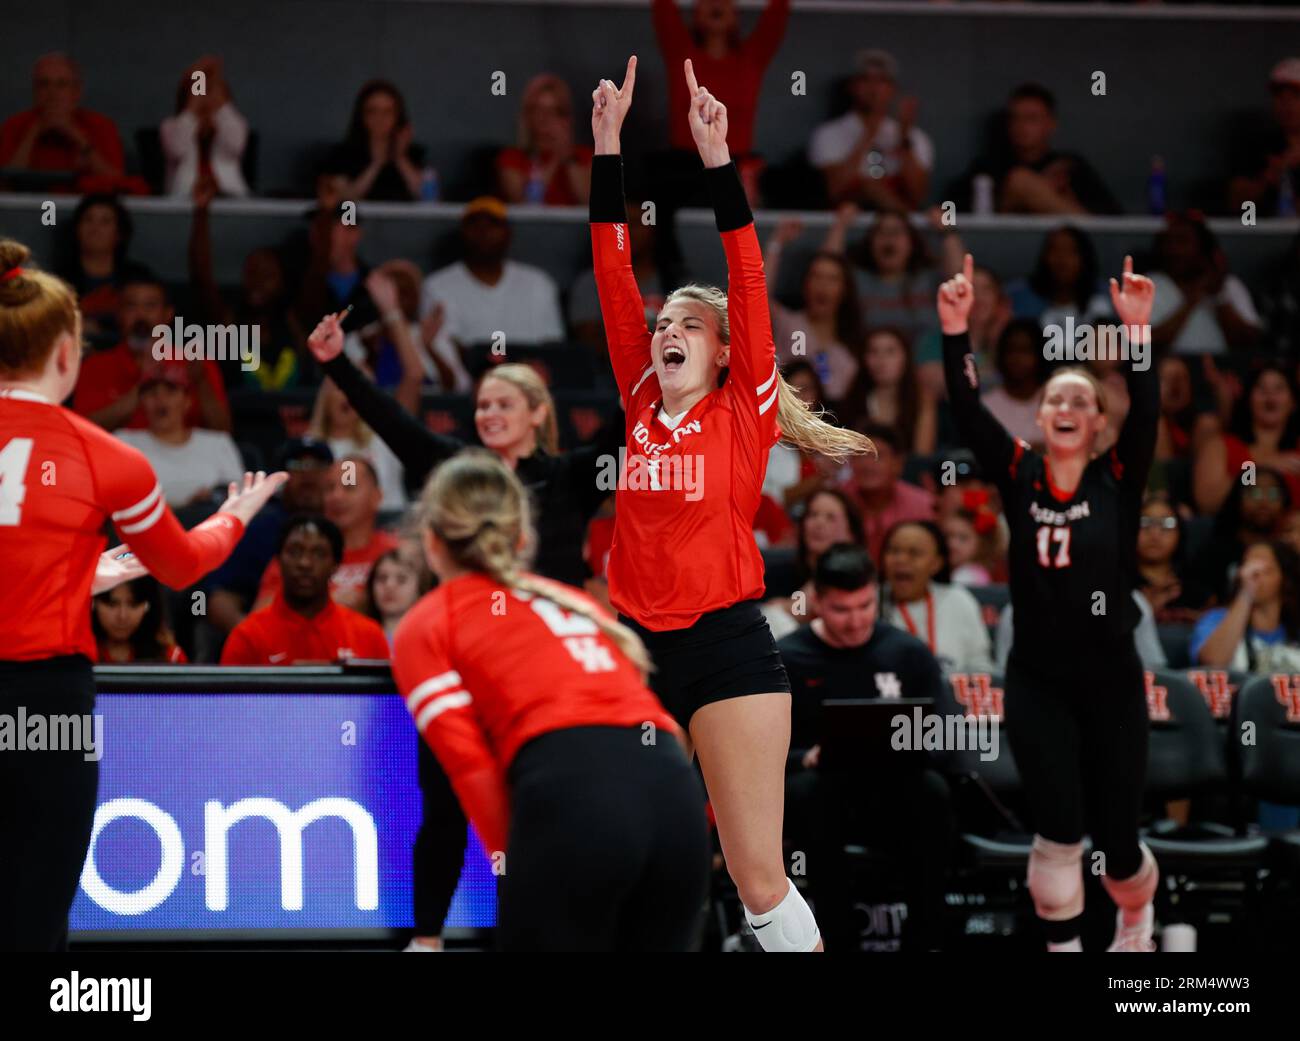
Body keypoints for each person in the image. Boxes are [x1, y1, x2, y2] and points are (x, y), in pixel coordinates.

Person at [590, 56, 874, 952]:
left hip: (725, 650)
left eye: (689, 325)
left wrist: (719, 161)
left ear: (723, 353)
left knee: (757, 874)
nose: (668, 330)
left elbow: (746, 277)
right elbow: (610, 266)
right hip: (632, 650)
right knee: (613, 857)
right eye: (662, 321)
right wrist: (607, 146)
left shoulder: (745, 408)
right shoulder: (640, 397)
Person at [0, 238, 283, 951]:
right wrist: (235, 515)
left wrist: (77, 577)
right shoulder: (107, 454)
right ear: (67, 354)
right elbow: (184, 568)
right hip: (45, 700)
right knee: (34, 915)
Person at [391, 452, 710, 950]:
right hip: (676, 799)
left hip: (574, 800)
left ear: (431, 542)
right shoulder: (574, 601)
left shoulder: (426, 623)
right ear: (522, 538)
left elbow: (470, 771)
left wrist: (521, 875)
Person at [940, 250, 1161, 952]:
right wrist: (955, 329)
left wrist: (1136, 334)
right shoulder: (1019, 472)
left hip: (1112, 683)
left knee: (1119, 846)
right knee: (1059, 832)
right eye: (1056, 398)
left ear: (1099, 423)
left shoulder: (1119, 479)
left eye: (1081, 400)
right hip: (1037, 681)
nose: (1067, 406)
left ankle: (1136, 916)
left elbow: (1149, 407)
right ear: (1038, 417)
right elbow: (969, 409)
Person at [778, 544, 951, 952]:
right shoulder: (787, 658)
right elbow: (757, 753)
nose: (856, 621)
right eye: (841, 609)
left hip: (895, 789)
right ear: (817, 601)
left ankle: (926, 940)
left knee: (933, 793)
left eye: (865, 605)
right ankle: (838, 941)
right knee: (809, 794)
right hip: (823, 792)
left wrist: (914, 743)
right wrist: (806, 756)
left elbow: (948, 733)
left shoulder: (907, 652)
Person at [204, 438, 334, 642]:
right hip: (270, 643)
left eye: (318, 466)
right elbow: (216, 599)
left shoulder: (346, 523)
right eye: (297, 465)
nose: (308, 475)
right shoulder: (258, 529)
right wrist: (253, 638)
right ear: (281, 479)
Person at [220, 514, 390, 665]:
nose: (305, 563)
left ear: (336, 565)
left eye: (318, 553)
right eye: (294, 552)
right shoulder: (247, 636)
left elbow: (387, 700)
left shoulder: (369, 635)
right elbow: (229, 701)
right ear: (278, 561)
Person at [72, 273, 231, 432]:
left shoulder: (195, 362)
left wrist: (201, 382)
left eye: (150, 306)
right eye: (131, 306)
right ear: (119, 314)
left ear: (167, 314)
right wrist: (145, 385)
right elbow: (83, 430)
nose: (141, 315)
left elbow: (223, 433)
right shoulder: (95, 366)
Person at [253, 457, 399, 613]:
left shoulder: (396, 551)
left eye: (349, 488)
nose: (337, 496)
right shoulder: (296, 555)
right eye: (329, 489)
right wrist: (321, 603)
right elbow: (258, 620)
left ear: (377, 497)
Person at [419, 197, 565, 348]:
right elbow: (444, 350)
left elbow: (552, 346)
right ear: (463, 233)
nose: (484, 232)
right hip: (468, 372)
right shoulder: (437, 286)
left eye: (493, 225)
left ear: (508, 233)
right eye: (475, 225)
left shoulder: (538, 283)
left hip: (526, 371)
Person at [956, 83, 1120, 216]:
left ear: (1051, 124)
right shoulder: (987, 167)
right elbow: (958, 214)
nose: (1022, 126)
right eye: (1015, 118)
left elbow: (1113, 221)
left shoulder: (1069, 167)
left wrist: (1057, 197)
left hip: (1067, 252)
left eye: (1031, 119)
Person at [809, 48, 933, 211]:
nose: (873, 88)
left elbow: (918, 195)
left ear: (892, 89)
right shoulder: (828, 133)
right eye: (865, 80)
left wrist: (904, 138)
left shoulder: (913, 135)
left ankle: (902, 223)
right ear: (852, 86)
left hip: (897, 228)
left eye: (882, 81)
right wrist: (868, 135)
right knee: (868, 185)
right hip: (848, 222)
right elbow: (835, 189)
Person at [114, 364, 244, 508]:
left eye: (170, 391)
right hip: (148, 526)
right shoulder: (124, 442)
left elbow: (238, 496)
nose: (160, 399)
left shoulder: (218, 442)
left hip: (208, 523)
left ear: (187, 401)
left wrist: (213, 497)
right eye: (151, 393)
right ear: (141, 402)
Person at [764, 219, 863, 405]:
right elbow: (756, 296)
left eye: (832, 279)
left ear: (844, 290)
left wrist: (840, 225)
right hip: (786, 418)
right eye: (816, 276)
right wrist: (776, 243)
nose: (823, 285)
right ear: (805, 285)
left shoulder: (852, 342)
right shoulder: (789, 322)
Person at [881, 519, 994, 673]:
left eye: (914, 553)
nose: (901, 560)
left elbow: (982, 668)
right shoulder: (868, 604)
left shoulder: (958, 600)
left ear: (936, 563)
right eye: (893, 551)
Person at [0, 54, 124, 192]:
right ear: (35, 92)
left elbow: (117, 183)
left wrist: (77, 136)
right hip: (30, 206)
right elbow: (6, 185)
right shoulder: (14, 125)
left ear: (77, 92)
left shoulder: (102, 125)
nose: (52, 93)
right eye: (44, 84)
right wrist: (32, 133)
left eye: (62, 85)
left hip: (82, 209)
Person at [1147, 212, 1262, 356]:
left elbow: (1250, 340)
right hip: (1167, 371)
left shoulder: (1229, 285)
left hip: (1223, 372)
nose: (1174, 250)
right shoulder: (1149, 284)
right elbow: (1144, 343)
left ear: (1203, 247)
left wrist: (1218, 297)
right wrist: (1191, 301)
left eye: (1182, 241)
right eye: (1168, 242)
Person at [1194, 363, 1300, 512]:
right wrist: (1258, 468)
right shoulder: (1221, 446)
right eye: (1261, 389)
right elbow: (1208, 503)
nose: (1270, 396)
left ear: (1293, 402)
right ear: (1248, 399)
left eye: (1279, 389)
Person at [1192, 540, 1300, 673]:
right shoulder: (1216, 619)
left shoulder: (1295, 627)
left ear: (1284, 578)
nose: (1253, 575)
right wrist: (1246, 594)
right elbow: (1212, 665)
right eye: (1247, 566)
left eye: (1264, 569)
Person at [840, 421, 936, 563]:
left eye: (877, 456)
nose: (867, 464)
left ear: (898, 463)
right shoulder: (837, 501)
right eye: (860, 455)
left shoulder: (922, 506)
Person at [159, 55, 250, 199]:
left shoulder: (233, 122)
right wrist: (194, 104)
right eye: (202, 92)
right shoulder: (170, 126)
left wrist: (220, 101)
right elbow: (178, 150)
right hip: (183, 195)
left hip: (230, 196)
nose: (206, 97)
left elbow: (235, 146)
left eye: (211, 92)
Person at [496, 75, 593, 206]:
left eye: (554, 111)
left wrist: (566, 155)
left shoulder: (585, 157)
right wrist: (553, 163)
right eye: (538, 111)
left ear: (566, 118)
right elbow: (526, 207)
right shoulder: (512, 159)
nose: (545, 119)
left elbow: (589, 203)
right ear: (527, 116)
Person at [842, 326, 936, 454]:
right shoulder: (852, 401)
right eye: (873, 351)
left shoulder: (921, 403)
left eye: (890, 352)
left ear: (906, 358)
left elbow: (921, 457)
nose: (881, 360)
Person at [327, 80, 424, 202]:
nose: (380, 119)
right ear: (361, 116)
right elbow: (345, 199)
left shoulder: (414, 154)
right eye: (372, 111)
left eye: (387, 112)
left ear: (397, 117)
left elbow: (426, 197)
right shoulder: (344, 154)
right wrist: (376, 164)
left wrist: (400, 158)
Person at [1227, 58, 1300, 216]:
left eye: (1295, 96)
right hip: (1265, 236)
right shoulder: (1257, 147)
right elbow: (1238, 208)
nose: (1287, 105)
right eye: (1280, 97)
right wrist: (1268, 178)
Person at [1006, 226, 1111, 330]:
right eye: (1055, 250)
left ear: (1085, 258)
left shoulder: (1103, 301)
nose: (1062, 259)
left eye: (1071, 251)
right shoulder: (1020, 300)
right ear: (1044, 257)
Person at [1135, 493, 1208, 625]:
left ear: (1180, 532)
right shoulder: (1117, 584)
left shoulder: (1197, 585)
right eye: (1144, 522)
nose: (1155, 534)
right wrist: (1146, 609)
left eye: (1167, 524)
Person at [979, 320, 1049, 449]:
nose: (1017, 358)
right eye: (1011, 350)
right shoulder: (985, 407)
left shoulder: (1057, 403)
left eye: (1025, 350)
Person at [91, 576, 188, 663]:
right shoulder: (80, 656)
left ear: (148, 606)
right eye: (112, 604)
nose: (122, 616)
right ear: (93, 603)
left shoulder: (171, 658)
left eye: (133, 605)